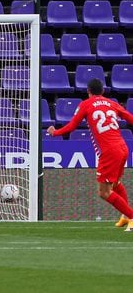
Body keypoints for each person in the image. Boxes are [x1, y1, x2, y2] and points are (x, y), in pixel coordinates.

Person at [47, 78, 133, 231]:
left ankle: (131, 215)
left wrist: (55, 132)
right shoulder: (112, 103)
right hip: (123, 147)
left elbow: (72, 126)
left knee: (104, 192)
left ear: (88, 92)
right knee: (115, 184)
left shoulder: (86, 104)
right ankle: (126, 217)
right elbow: (130, 118)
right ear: (103, 91)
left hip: (109, 151)